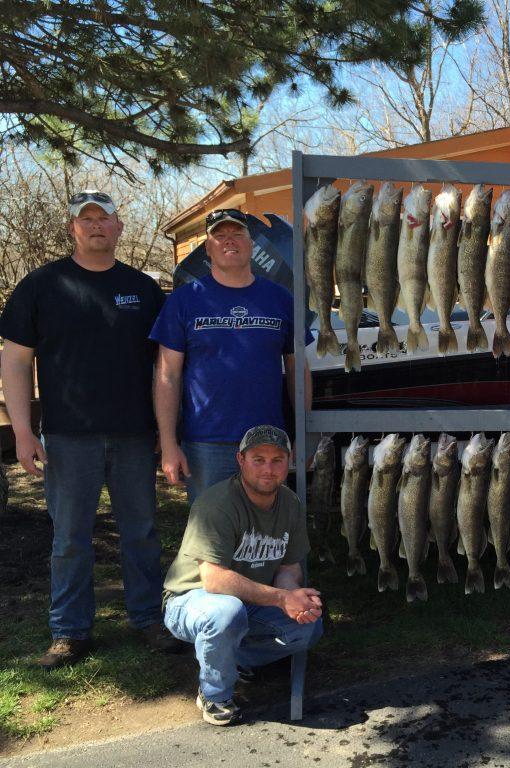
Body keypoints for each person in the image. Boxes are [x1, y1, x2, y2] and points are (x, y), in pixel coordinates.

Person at [0, 189, 177, 669]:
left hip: (134, 435)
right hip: (68, 437)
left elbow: (164, 367)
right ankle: (69, 632)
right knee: (70, 538)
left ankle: (148, 619)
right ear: (73, 228)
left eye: (106, 218)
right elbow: (15, 361)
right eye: (87, 219)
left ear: (120, 227)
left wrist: (166, 430)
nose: (97, 225)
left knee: (140, 532)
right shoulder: (41, 286)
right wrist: (22, 429)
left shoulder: (142, 289)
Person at [162, 424, 324, 726]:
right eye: (258, 459)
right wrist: (280, 598)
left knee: (308, 627)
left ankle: (230, 658)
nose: (268, 468)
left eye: (277, 460)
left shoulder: (290, 503)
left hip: (247, 601)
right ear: (241, 461)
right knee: (226, 614)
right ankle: (215, 694)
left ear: (288, 462)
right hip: (192, 599)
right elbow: (215, 580)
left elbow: (289, 568)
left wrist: (295, 597)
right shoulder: (218, 503)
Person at [150, 209, 311, 502]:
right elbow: (167, 375)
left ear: (252, 244)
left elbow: (298, 368)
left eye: (238, 234)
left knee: (264, 538)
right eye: (219, 236)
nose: (229, 241)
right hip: (205, 445)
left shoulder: (281, 299)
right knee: (212, 540)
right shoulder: (184, 301)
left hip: (268, 443)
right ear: (208, 247)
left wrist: (303, 430)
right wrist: (169, 442)